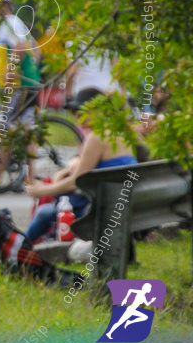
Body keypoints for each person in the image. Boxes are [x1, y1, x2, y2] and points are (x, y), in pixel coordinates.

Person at [23, 88, 137, 245]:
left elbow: (75, 182)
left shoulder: (97, 137)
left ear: (98, 111)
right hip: (123, 202)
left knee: (44, 212)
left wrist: (41, 191)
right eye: (75, 112)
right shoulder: (120, 133)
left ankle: (16, 251)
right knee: (51, 209)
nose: (77, 117)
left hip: (104, 208)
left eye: (81, 111)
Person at [0, 0, 43, 183]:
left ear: (1, 6)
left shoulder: (8, 23)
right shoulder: (15, 23)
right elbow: (36, 49)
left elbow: (20, 47)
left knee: (3, 127)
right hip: (29, 82)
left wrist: (12, 71)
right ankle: (29, 175)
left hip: (20, 85)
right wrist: (32, 69)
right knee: (25, 129)